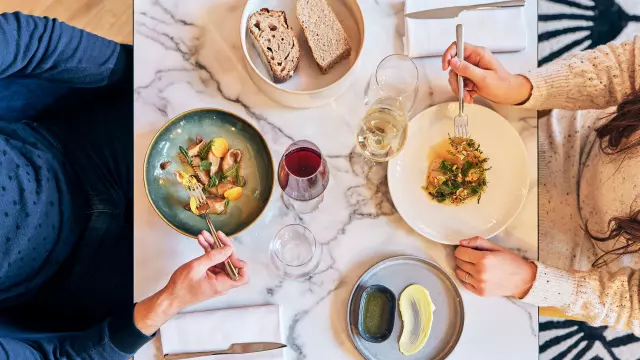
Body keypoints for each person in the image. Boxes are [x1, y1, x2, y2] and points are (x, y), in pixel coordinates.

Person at [0, 12, 249, 359]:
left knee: (208, 95)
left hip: (76, 149)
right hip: (75, 277)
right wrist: (170, 300)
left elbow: (29, 40)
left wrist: (132, 67)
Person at [442, 36, 639, 335]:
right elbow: (624, 69)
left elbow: (628, 304)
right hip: (563, 123)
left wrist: (527, 280)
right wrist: (516, 87)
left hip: (560, 255)